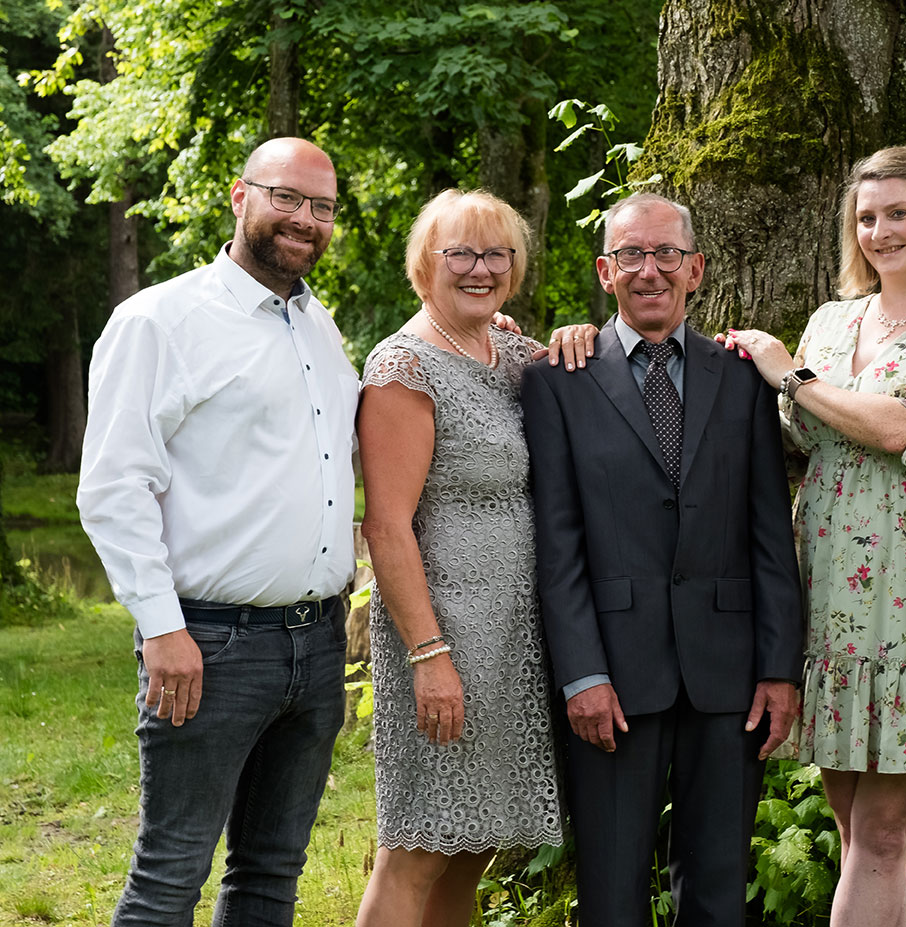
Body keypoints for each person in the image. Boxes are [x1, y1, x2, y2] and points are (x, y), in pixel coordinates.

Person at [722, 146, 906, 927]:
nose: (881, 230)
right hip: (826, 589)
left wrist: (792, 376)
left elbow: (896, 428)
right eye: (866, 217)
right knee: (857, 828)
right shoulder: (832, 320)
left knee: (882, 834)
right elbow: (802, 439)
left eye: (897, 213)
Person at [78, 137, 358, 926]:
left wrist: (482, 329)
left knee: (271, 872)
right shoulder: (161, 320)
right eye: (287, 198)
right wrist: (162, 628)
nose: (305, 219)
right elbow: (112, 486)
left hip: (317, 642)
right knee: (171, 872)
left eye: (323, 206)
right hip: (209, 644)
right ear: (240, 197)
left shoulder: (318, 329)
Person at [519, 193, 804, 927]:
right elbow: (559, 543)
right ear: (605, 271)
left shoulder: (743, 377)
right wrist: (581, 672)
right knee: (611, 895)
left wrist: (778, 668)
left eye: (666, 254)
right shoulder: (559, 378)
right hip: (611, 676)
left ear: (696, 268)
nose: (650, 270)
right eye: (630, 256)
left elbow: (772, 534)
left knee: (717, 891)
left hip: (728, 677)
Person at [353, 189, 595, 927]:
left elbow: (575, 373)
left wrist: (584, 332)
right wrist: (429, 653)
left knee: (470, 844)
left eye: (498, 254)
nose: (480, 268)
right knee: (418, 844)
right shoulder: (404, 368)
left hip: (512, 643)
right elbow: (388, 526)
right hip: (446, 634)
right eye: (461, 252)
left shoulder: (512, 352)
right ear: (426, 263)